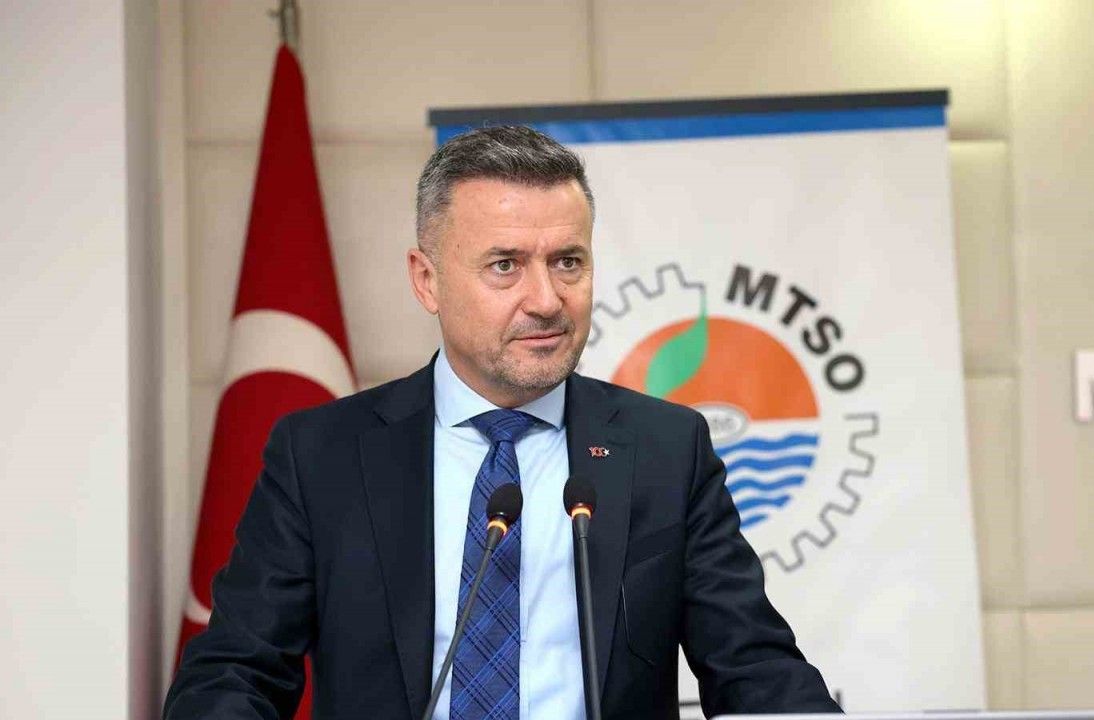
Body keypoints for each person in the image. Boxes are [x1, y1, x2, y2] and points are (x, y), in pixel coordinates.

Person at [164, 126, 841, 719]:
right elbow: (236, 673)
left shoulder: (666, 449)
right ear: (427, 280)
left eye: (568, 262)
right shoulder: (322, 455)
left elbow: (755, 669)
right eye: (505, 265)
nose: (546, 300)